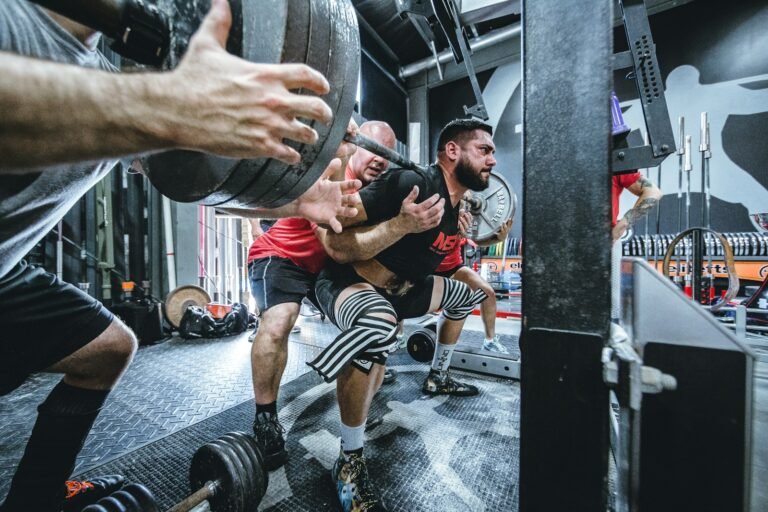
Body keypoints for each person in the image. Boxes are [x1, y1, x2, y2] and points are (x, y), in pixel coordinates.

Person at [0, 1, 356, 510]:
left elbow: (185, 181)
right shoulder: (14, 20)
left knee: (105, 349)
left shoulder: (106, 71)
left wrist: (297, 200)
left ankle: (35, 498)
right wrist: (166, 107)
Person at [311, 118, 498, 511]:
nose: (492, 160)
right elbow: (336, 233)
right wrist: (400, 224)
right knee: (376, 325)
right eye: (484, 150)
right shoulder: (409, 184)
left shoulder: (455, 203)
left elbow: (436, 257)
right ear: (452, 151)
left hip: (404, 292)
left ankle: (438, 376)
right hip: (349, 281)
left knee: (467, 296)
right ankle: (348, 460)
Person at [246, 120, 445, 471]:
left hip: (325, 273)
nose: (381, 159)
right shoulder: (334, 173)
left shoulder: (378, 192)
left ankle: (361, 406)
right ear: (356, 146)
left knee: (381, 321)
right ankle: (265, 418)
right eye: (373, 148)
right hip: (283, 257)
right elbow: (335, 244)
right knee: (279, 321)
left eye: (387, 152)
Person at [434, 212, 513, 354]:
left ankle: (490, 341)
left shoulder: (464, 216)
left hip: (454, 268)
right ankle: (399, 336)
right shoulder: (437, 212)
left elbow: (476, 240)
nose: (465, 204)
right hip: (428, 268)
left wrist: (498, 238)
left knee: (487, 293)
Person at [610, 171, 662, 323]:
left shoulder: (612, 160)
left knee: (611, 314)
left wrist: (621, 226)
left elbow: (652, 192)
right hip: (563, 246)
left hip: (605, 245)